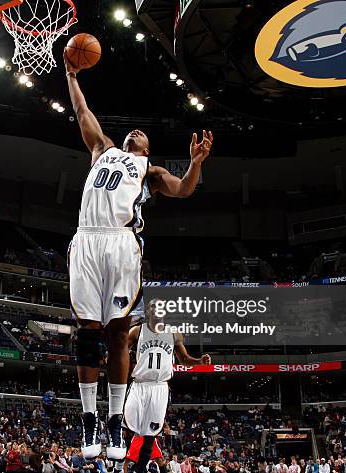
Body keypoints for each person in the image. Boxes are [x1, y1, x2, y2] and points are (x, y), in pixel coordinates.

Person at [63, 52, 213, 461]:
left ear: (147, 149)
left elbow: (183, 189)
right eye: (133, 131)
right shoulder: (101, 149)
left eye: (143, 133)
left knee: (116, 332)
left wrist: (196, 164)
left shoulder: (150, 171)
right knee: (88, 332)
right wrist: (71, 73)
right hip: (87, 240)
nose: (137, 131)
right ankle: (89, 418)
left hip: (122, 244)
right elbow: (81, 110)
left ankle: (114, 422)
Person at [123, 299, 210, 473]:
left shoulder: (174, 333)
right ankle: (125, 460)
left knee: (151, 433)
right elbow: (120, 350)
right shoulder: (137, 331)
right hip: (140, 383)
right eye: (153, 307)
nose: (157, 311)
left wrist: (199, 361)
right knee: (128, 426)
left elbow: (184, 359)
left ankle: (140, 468)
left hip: (160, 386)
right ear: (148, 312)